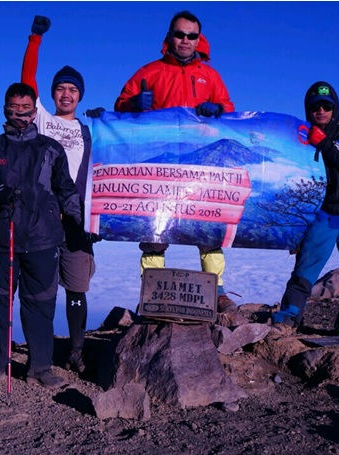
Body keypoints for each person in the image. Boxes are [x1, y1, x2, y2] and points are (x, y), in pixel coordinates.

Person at [114, 10, 237, 312]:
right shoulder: (149, 72)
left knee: (208, 226)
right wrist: (132, 104)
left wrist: (219, 110)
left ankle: (216, 289)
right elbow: (119, 107)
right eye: (179, 34)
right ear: (169, 36)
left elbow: (230, 112)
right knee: (154, 228)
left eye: (191, 35)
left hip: (201, 166)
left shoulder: (211, 76)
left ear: (199, 40)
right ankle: (151, 288)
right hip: (161, 164)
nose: (185, 40)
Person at [0, 82, 83, 389]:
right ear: (5, 110)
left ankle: (40, 366)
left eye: (26, 109)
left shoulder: (50, 148)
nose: (21, 114)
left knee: (40, 304)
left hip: (43, 238)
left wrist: (78, 224)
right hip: (3, 238)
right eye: (14, 108)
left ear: (34, 111)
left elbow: (66, 189)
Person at [20, 15, 103, 374]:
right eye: (61, 88)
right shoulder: (41, 119)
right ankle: (42, 354)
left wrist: (108, 121)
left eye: (73, 90)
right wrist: (35, 40)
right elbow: (26, 80)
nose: (66, 93)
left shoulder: (89, 131)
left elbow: (112, 166)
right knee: (43, 288)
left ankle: (76, 351)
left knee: (76, 287)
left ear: (80, 95)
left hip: (78, 219)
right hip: (43, 216)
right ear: (52, 93)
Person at [271, 82, 339, 335]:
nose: (321, 111)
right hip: (321, 214)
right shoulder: (301, 136)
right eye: (315, 107)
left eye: (327, 106)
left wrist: (324, 143)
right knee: (306, 269)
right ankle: (289, 316)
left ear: (335, 108)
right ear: (308, 110)